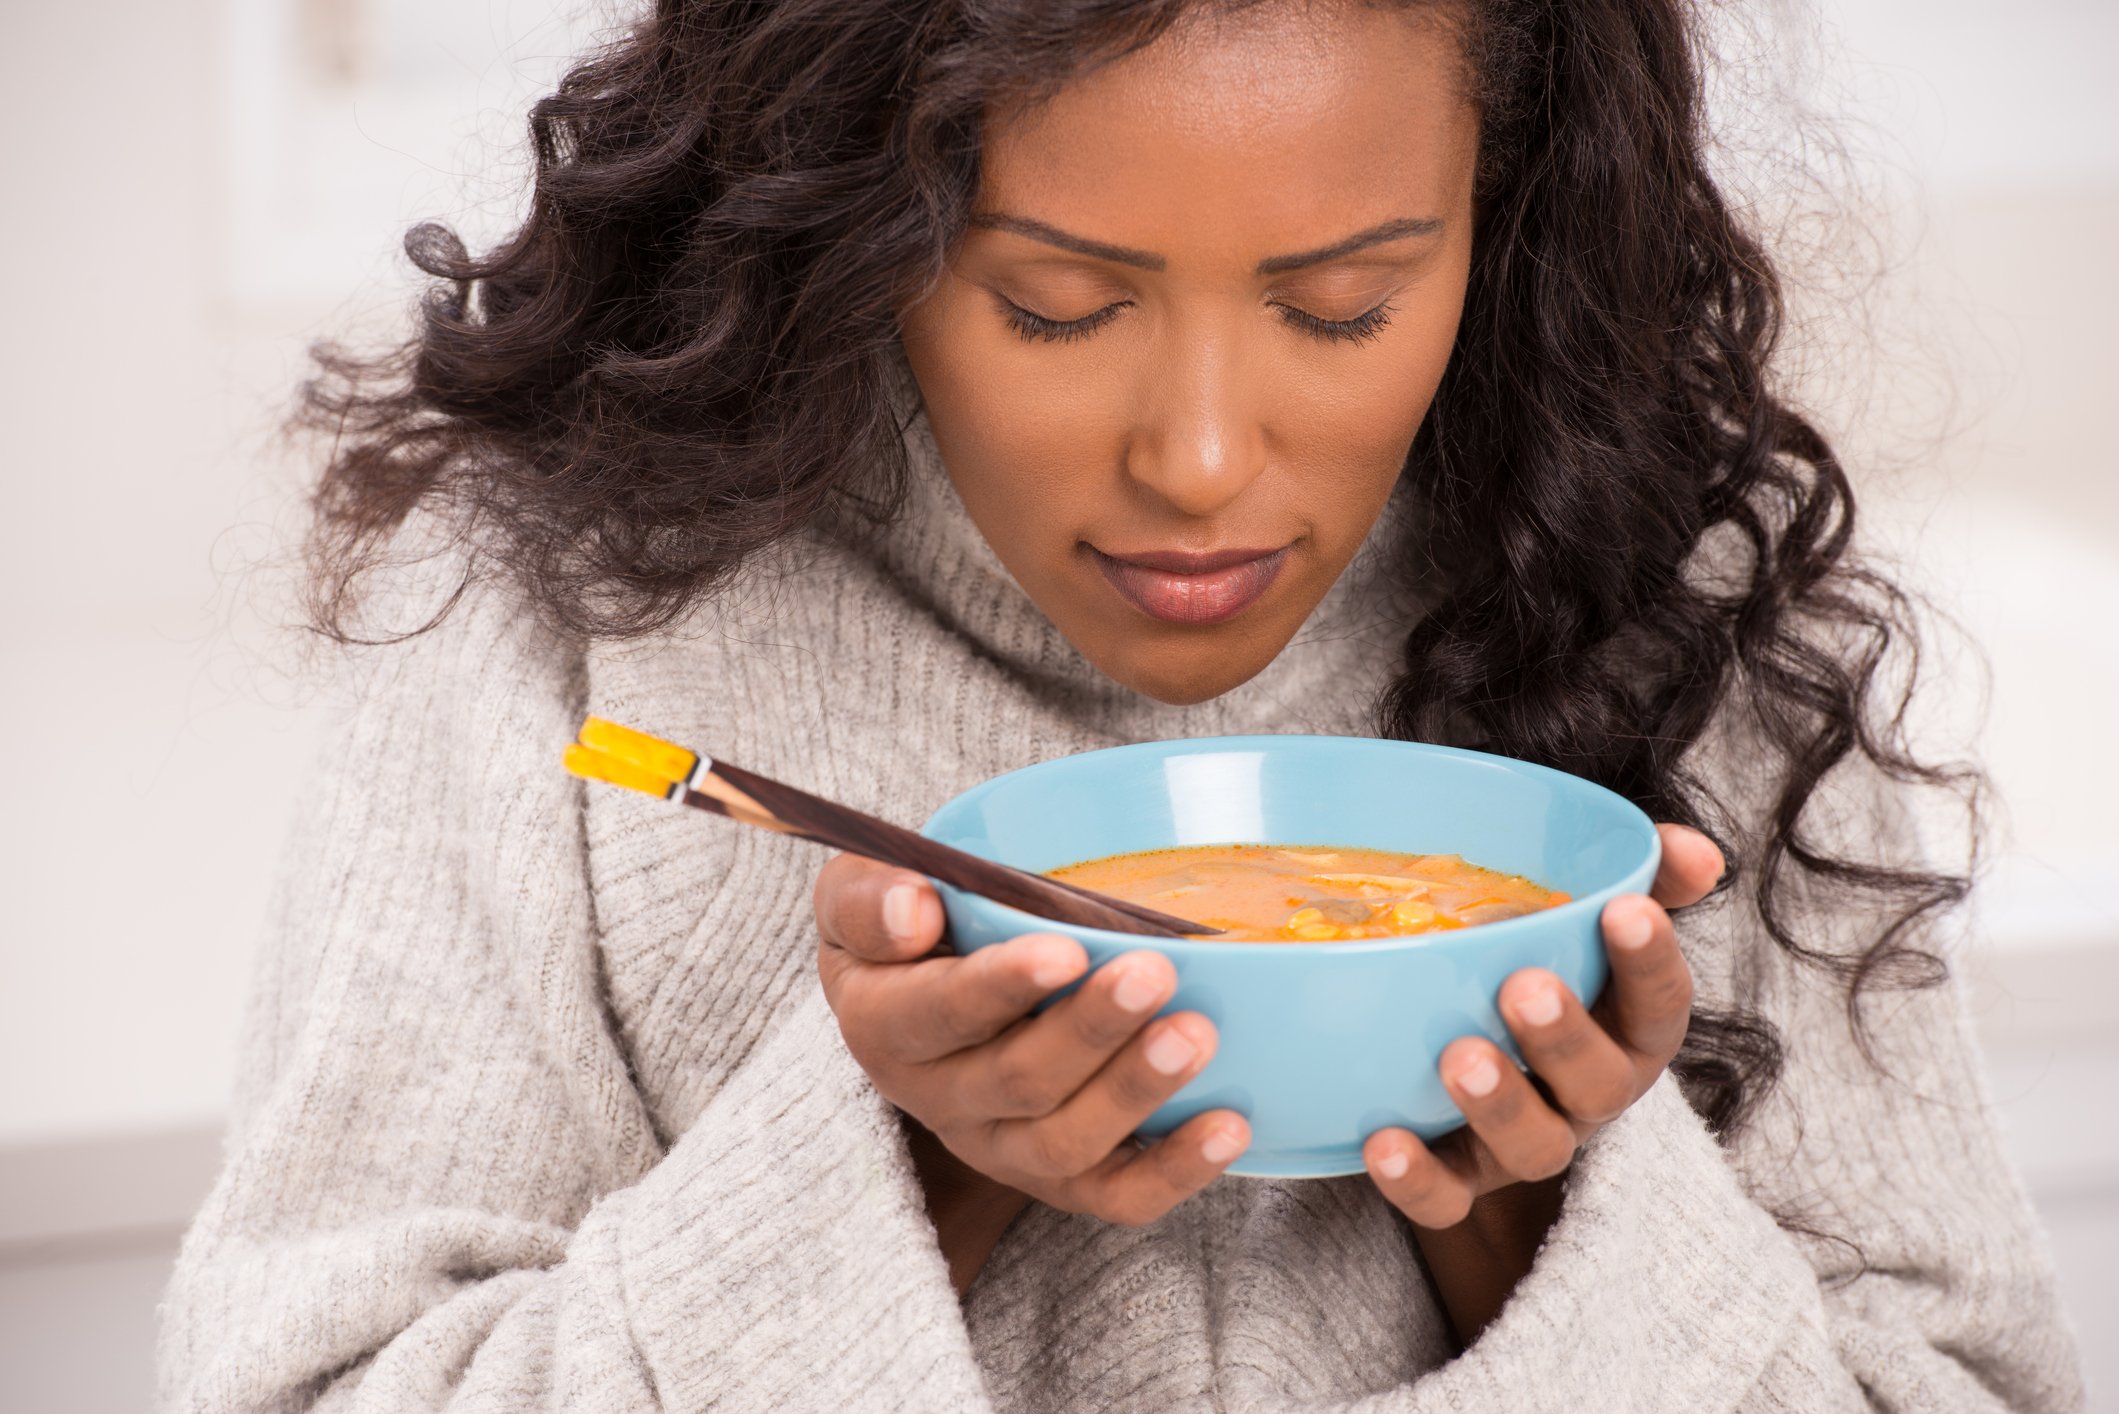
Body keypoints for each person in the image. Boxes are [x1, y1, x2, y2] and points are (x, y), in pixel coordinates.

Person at [158, 0, 2085, 1409]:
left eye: (1342, 305)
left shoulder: (1683, 614)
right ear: (858, 226)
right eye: (1058, 307)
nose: (1202, 457)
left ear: (1503, 225)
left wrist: (1541, 1224)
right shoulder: (564, 636)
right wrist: (907, 1161)